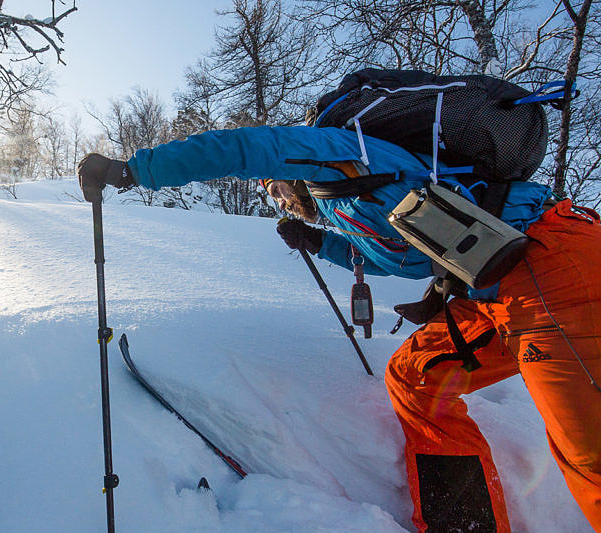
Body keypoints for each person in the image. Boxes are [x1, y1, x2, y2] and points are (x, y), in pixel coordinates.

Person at [78, 124, 601, 532]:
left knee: (588, 455)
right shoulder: (351, 203)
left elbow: (245, 148)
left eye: (275, 189)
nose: (277, 199)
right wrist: (317, 242)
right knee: (416, 378)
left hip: (551, 261)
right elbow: (403, 262)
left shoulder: (341, 154)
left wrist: (136, 171)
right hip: (494, 292)